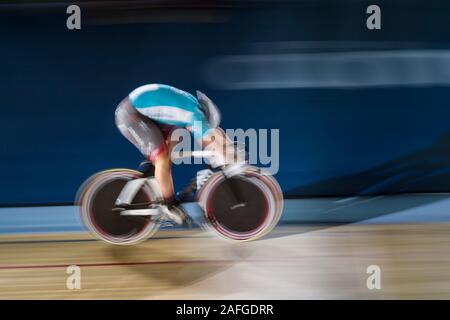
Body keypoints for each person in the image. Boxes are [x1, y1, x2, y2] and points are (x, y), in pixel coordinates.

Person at [115, 83, 230, 225]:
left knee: (168, 154)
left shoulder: (192, 107)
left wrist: (225, 147)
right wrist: (227, 157)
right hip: (132, 115)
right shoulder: (194, 115)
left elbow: (214, 135)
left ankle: (158, 186)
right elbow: (208, 138)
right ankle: (167, 206)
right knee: (162, 157)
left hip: (147, 115)